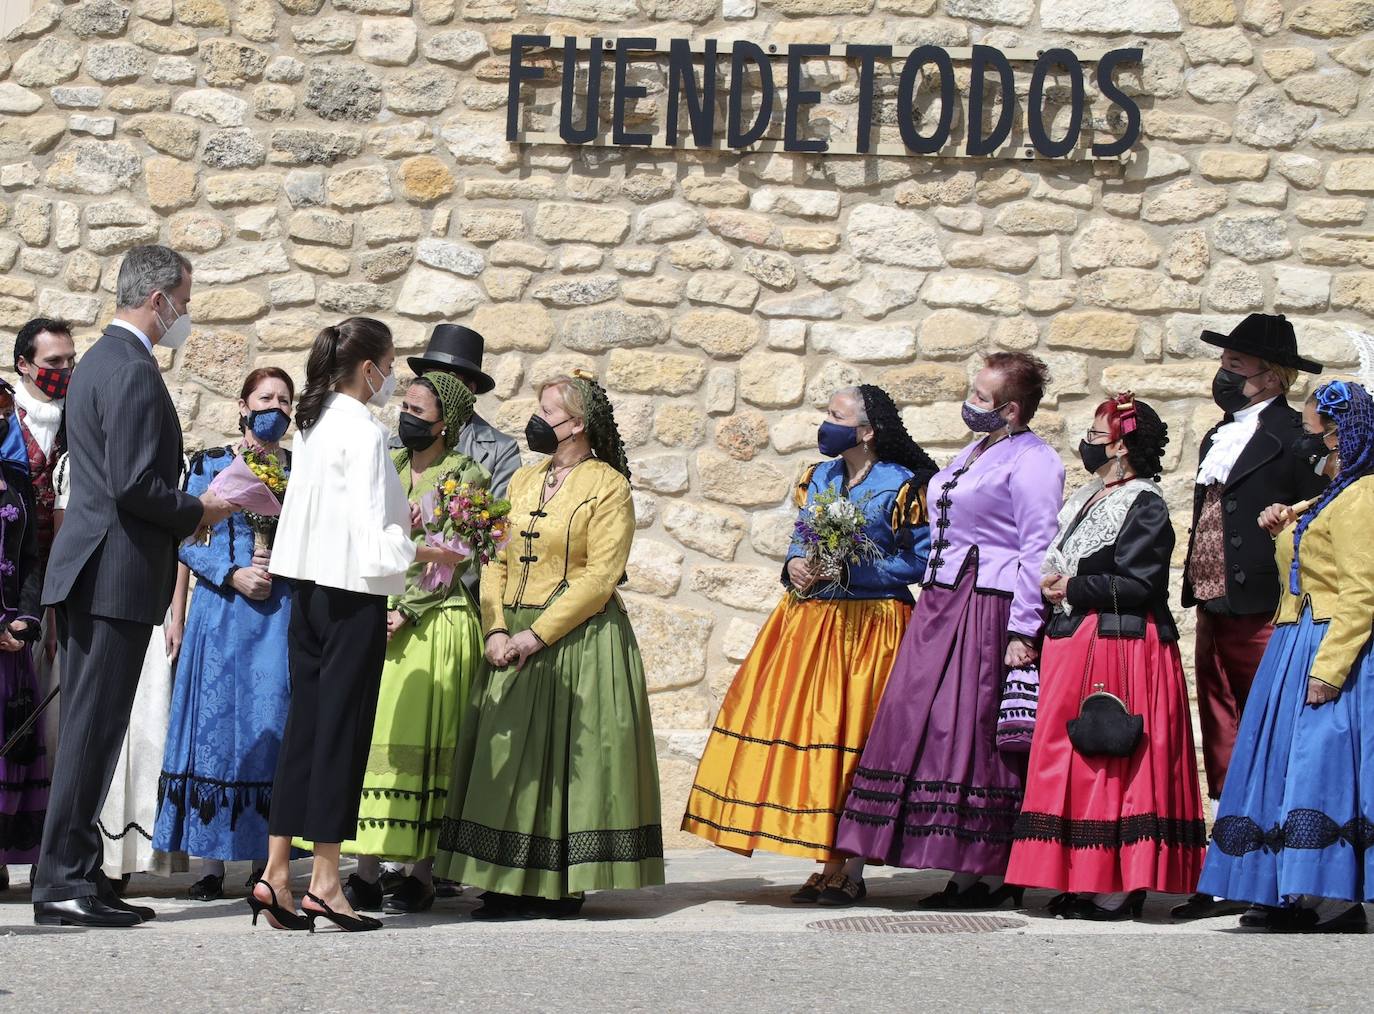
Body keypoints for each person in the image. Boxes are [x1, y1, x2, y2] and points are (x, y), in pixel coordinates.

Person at [32, 244, 234, 928]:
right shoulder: (131, 370)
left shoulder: (100, 362)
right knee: (92, 732)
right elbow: (134, 485)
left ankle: (80, 872)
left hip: (100, 568)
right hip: (112, 571)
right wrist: (201, 509)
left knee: (98, 730)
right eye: (185, 300)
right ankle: (61, 880)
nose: (186, 314)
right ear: (157, 300)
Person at [682, 385, 936, 907]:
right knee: (816, 735)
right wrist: (794, 565)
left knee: (857, 742)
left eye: (836, 416)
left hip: (873, 626)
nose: (825, 423)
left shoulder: (903, 485)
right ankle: (825, 861)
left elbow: (918, 563)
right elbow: (802, 537)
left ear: (866, 431)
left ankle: (851, 866)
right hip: (811, 620)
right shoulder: (818, 477)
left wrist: (856, 570)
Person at [252, 318, 465, 933]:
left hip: (306, 589)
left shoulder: (314, 424)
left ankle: (275, 872)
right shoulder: (365, 433)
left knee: (305, 729)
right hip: (350, 596)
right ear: (369, 368)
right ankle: (324, 882)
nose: (393, 378)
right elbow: (374, 541)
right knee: (341, 736)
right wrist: (430, 552)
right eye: (391, 363)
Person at [834, 352, 1064, 908]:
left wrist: (1025, 628)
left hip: (988, 603)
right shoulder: (977, 450)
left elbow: (1037, 547)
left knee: (972, 728)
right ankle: (946, 855)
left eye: (982, 398)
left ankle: (982, 869)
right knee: (919, 720)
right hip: (942, 599)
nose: (971, 403)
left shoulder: (1034, 460)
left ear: (1011, 409)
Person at [435, 372, 663, 919]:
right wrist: (494, 627)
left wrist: (534, 635)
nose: (537, 420)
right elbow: (491, 556)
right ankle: (500, 876)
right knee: (506, 754)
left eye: (548, 411)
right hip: (509, 626)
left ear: (578, 424)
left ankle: (561, 883)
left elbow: (599, 577)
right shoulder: (522, 481)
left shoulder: (608, 486)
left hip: (578, 636)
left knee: (566, 760)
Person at [1005, 394, 1206, 919]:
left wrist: (1074, 584)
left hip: (1120, 644)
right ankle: (1079, 874)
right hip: (1076, 639)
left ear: (1119, 445)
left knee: (1113, 755)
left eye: (1095, 436)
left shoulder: (1144, 502)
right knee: (1070, 758)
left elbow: (1140, 583)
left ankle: (1119, 883)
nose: (1087, 444)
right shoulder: (1088, 498)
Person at [1197, 380, 1374, 933]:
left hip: (1327, 643)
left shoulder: (1364, 495)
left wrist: (1330, 668)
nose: (1307, 436)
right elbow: (1304, 559)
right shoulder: (1329, 493)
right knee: (1279, 767)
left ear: (1340, 432)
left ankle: (1338, 898)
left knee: (1323, 769)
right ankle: (1287, 889)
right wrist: (1284, 520)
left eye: (1314, 425)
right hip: (1294, 638)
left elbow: (1363, 589)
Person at [1174, 312, 1327, 922]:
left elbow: (1319, 514)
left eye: (1235, 366)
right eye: (1224, 364)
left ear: (1272, 376)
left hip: (1263, 606)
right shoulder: (1218, 437)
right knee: (1224, 738)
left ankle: (1282, 873)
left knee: (1272, 741)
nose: (1224, 375)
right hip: (1215, 606)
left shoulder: (1297, 437)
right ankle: (1231, 865)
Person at [325, 371, 489, 915]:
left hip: (436, 621)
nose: (408, 418)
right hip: (380, 616)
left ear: (447, 422)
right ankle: (366, 871)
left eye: (420, 411)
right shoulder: (391, 466)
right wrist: (379, 607)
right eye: (407, 407)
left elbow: (458, 554)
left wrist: (407, 610)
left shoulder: (463, 474)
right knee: (373, 737)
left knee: (428, 739)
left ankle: (420, 872)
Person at [153, 368, 296, 901]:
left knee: (271, 726)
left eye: (284, 400)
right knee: (213, 728)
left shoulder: (300, 471)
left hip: (278, 612)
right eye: (265, 398)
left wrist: (275, 565)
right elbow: (187, 537)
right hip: (220, 609)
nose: (275, 408)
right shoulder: (210, 464)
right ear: (242, 405)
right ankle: (209, 863)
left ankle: (267, 862)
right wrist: (231, 572)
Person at [50, 450, 190, 885]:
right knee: (89, 732)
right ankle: (80, 860)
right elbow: (64, 536)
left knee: (143, 731)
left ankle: (127, 858)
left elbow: (179, 544)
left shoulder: (167, 462)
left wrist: (177, 613)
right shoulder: (74, 464)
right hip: (97, 603)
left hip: (147, 603)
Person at [13, 317, 76, 787]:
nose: (65, 369)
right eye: (54, 362)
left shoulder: (81, 418)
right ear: (25, 365)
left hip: (69, 585)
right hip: (11, 585)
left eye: (70, 361)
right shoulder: (3, 420)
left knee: (54, 721)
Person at [0, 379, 45, 895]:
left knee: (13, 748)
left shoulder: (16, 482)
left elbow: (32, 558)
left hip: (14, 642)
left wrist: (25, 620)